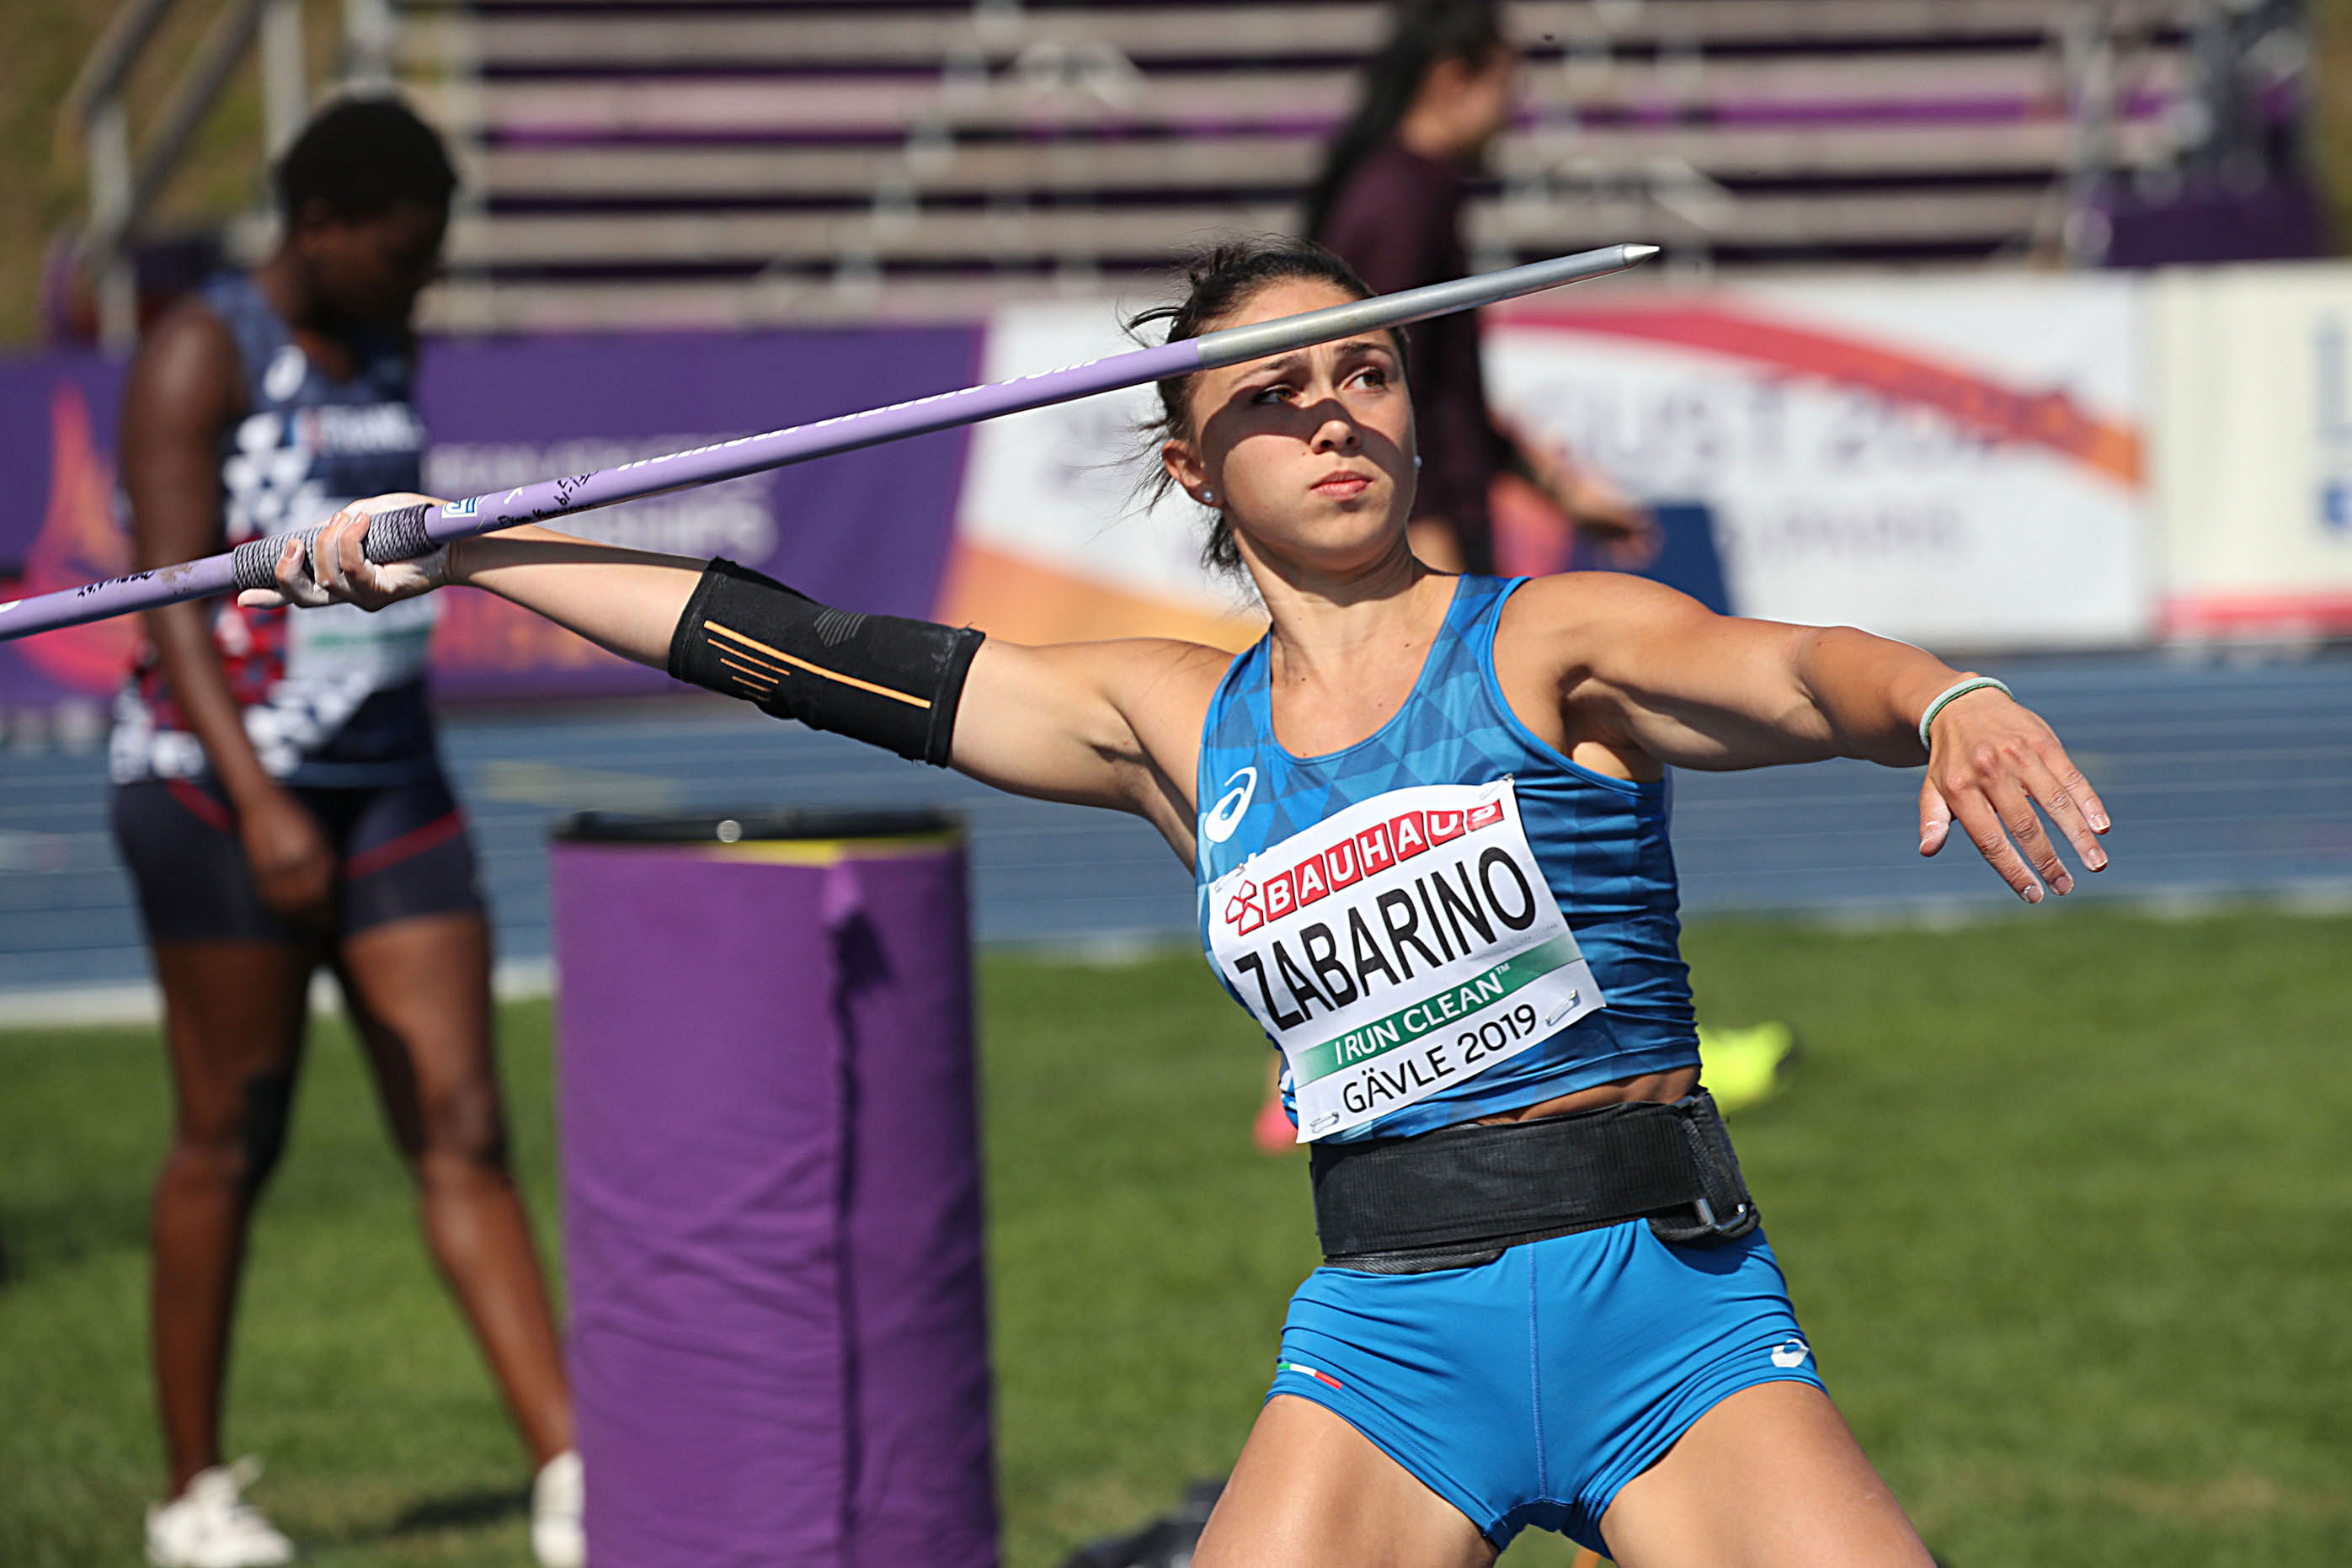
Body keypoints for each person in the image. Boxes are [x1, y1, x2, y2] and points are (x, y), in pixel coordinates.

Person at [251, 237, 2109, 1568]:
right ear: (1187, 461)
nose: (1332, 416)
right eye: (1272, 395)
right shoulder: (1169, 723)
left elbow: (1796, 669)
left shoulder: (1547, 640)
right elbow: (801, 650)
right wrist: (470, 552)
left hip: (1665, 1313)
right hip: (1392, 1345)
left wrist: (1940, 698)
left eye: (1362, 373)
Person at [109, 96, 580, 1568]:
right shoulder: (204, 350)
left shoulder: (385, 341)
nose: (421, 279)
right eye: (403, 251)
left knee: (461, 1121)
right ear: (319, 226)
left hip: (392, 778)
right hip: (218, 788)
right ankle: (191, 1494)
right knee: (229, 1133)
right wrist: (258, 801)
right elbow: (167, 595)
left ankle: (574, 1472)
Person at [1305, 0, 1655, 578]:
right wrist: (1421, 535)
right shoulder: (1401, 201)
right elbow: (1383, 383)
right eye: (1505, 86)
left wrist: (1559, 488)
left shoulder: (1413, 188)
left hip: (1435, 518)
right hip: (1420, 532)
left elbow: (1445, 389)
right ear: (1453, 80)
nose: (1511, 110)